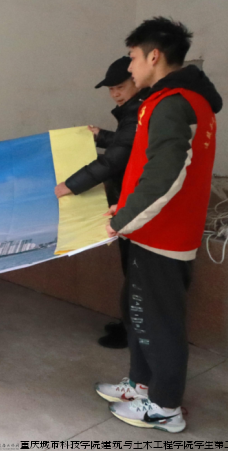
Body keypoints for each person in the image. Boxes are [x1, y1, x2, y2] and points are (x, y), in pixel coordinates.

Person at [95, 17, 222, 433]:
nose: (130, 68)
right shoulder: (173, 99)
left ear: (154, 56)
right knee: (138, 314)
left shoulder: (173, 103)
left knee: (159, 322)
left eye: (132, 58)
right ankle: (141, 384)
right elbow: (147, 167)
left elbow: (164, 175)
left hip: (164, 236)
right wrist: (126, 213)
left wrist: (122, 219)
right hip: (150, 231)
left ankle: (166, 407)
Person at [55, 56, 149, 349]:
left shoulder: (140, 111)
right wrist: (101, 136)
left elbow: (115, 160)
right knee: (133, 270)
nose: (115, 94)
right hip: (131, 200)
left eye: (120, 87)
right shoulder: (135, 111)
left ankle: (133, 331)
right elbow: (127, 143)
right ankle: (130, 324)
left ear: (137, 79)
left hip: (138, 202)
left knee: (138, 272)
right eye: (111, 90)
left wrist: (71, 185)